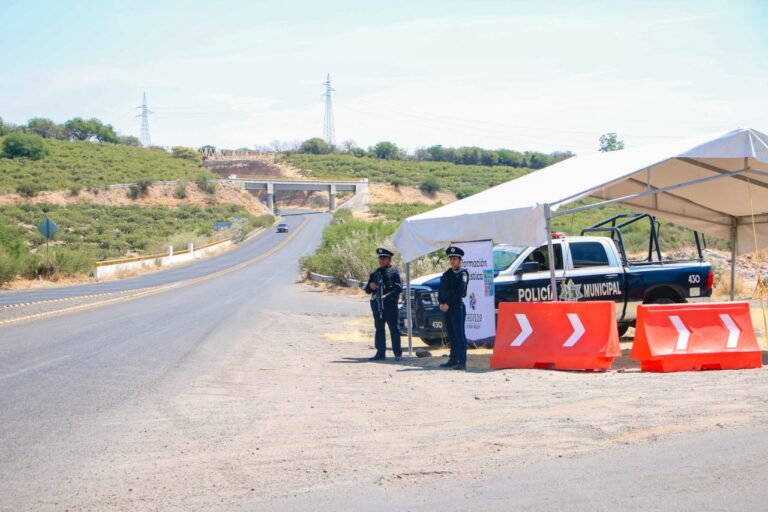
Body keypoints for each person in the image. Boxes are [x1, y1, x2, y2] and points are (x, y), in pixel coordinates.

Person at [364, 248, 403, 361]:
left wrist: (387, 295)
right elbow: (367, 290)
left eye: (384, 258)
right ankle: (380, 353)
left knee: (394, 329)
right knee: (379, 329)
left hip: (390, 305)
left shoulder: (394, 272)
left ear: (389, 259)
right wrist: (371, 287)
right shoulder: (375, 273)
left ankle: (397, 353)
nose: (381, 260)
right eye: (380, 258)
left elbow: (398, 288)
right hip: (378, 306)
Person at [438, 246, 469, 370]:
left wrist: (448, 304)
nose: (452, 261)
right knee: (451, 334)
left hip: (457, 307)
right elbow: (441, 290)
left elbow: (460, 292)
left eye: (455, 259)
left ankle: (462, 361)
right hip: (446, 308)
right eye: (451, 259)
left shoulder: (463, 273)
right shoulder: (447, 274)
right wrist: (441, 303)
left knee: (459, 334)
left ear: (460, 260)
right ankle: (453, 358)